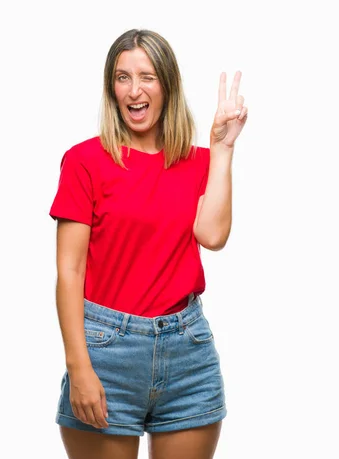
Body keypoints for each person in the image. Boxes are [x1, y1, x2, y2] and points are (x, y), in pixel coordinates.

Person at [48, 28, 248, 459]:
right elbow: (69, 272)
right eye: (122, 78)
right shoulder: (85, 162)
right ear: (111, 88)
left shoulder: (197, 161)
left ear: (168, 86)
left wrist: (222, 149)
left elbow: (212, 236)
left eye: (147, 77)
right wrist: (77, 365)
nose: (134, 91)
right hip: (106, 353)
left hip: (188, 354)